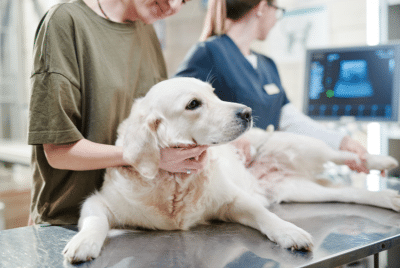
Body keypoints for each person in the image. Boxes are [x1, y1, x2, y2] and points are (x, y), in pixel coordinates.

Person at [28, 0, 208, 225]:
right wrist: (141, 155)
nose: (172, 6)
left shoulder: (147, 31)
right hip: (67, 224)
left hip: (134, 220)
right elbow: (58, 151)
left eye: (184, 0)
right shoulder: (66, 22)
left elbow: (157, 131)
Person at [175, 0, 373, 174]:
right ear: (261, 7)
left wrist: (342, 142)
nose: (277, 19)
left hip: (267, 174)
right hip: (229, 178)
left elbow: (289, 120)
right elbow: (175, 114)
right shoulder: (208, 53)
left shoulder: (267, 64)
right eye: (277, 10)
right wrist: (228, 140)